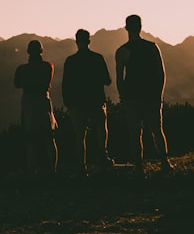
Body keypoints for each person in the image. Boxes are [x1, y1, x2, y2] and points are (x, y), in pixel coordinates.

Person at [115, 15, 172, 177]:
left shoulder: (122, 51)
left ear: (126, 28)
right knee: (157, 130)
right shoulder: (152, 47)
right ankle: (165, 163)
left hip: (132, 97)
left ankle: (139, 168)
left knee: (135, 132)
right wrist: (159, 94)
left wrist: (122, 97)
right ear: (140, 27)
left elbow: (120, 77)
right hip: (151, 96)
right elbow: (161, 74)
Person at [61, 29, 113, 177]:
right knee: (101, 129)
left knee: (79, 135)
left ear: (76, 42)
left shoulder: (70, 61)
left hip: (77, 104)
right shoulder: (97, 58)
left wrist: (68, 103)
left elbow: (66, 85)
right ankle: (103, 158)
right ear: (89, 41)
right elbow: (107, 80)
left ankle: (81, 166)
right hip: (96, 101)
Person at [14, 39, 58, 174]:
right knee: (49, 138)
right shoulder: (48, 66)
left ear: (28, 52)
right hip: (43, 101)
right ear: (41, 51)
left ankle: (31, 170)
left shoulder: (22, 69)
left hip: (28, 102)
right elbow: (46, 83)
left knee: (30, 138)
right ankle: (52, 170)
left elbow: (17, 84)